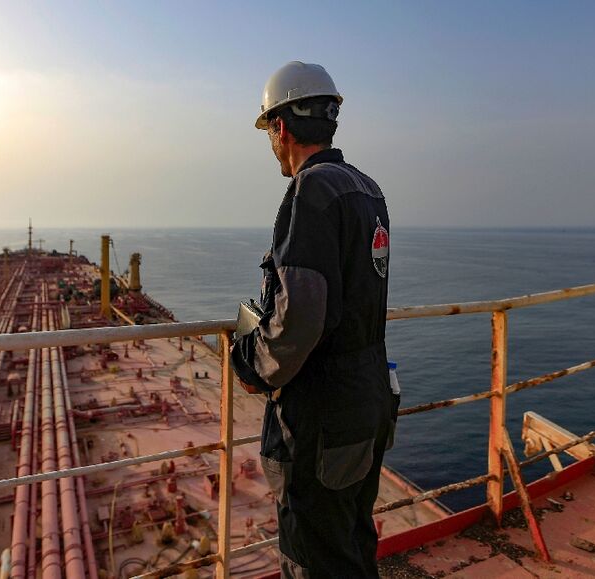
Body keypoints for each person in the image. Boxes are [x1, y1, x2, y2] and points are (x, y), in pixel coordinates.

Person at [231, 61, 395, 579]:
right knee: (351, 541)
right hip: (367, 402)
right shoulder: (368, 189)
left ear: (281, 127)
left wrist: (250, 364)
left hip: (319, 420)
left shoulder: (311, 192)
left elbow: (299, 319)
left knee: (314, 556)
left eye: (269, 132)